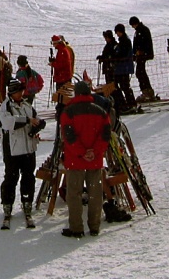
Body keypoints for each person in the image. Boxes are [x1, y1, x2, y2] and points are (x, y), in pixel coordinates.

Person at [59, 80, 111, 238]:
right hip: (94, 160)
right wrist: (94, 152)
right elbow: (105, 135)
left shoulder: (68, 112)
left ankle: (76, 228)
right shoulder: (101, 112)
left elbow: (69, 137)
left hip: (75, 160)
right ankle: (94, 226)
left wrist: (82, 152)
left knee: (74, 194)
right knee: (95, 193)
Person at [0, 79, 43, 229]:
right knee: (11, 177)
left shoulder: (26, 105)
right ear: (11, 92)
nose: (21, 94)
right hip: (12, 149)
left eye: (21, 91)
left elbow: (35, 119)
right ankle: (7, 204)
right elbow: (8, 123)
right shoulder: (5, 107)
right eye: (18, 91)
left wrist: (37, 126)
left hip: (29, 148)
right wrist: (27, 120)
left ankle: (27, 202)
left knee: (29, 177)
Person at [110, 23, 136, 112]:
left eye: (117, 32)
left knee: (124, 86)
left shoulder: (125, 41)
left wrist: (115, 58)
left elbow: (123, 54)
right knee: (121, 86)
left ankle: (130, 104)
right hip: (121, 68)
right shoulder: (122, 40)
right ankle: (126, 103)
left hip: (123, 68)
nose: (117, 34)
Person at [130, 16, 156, 100]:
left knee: (140, 72)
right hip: (141, 55)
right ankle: (148, 90)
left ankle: (146, 91)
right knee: (141, 72)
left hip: (143, 55)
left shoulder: (143, 30)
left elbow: (146, 43)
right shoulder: (139, 30)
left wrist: (141, 51)